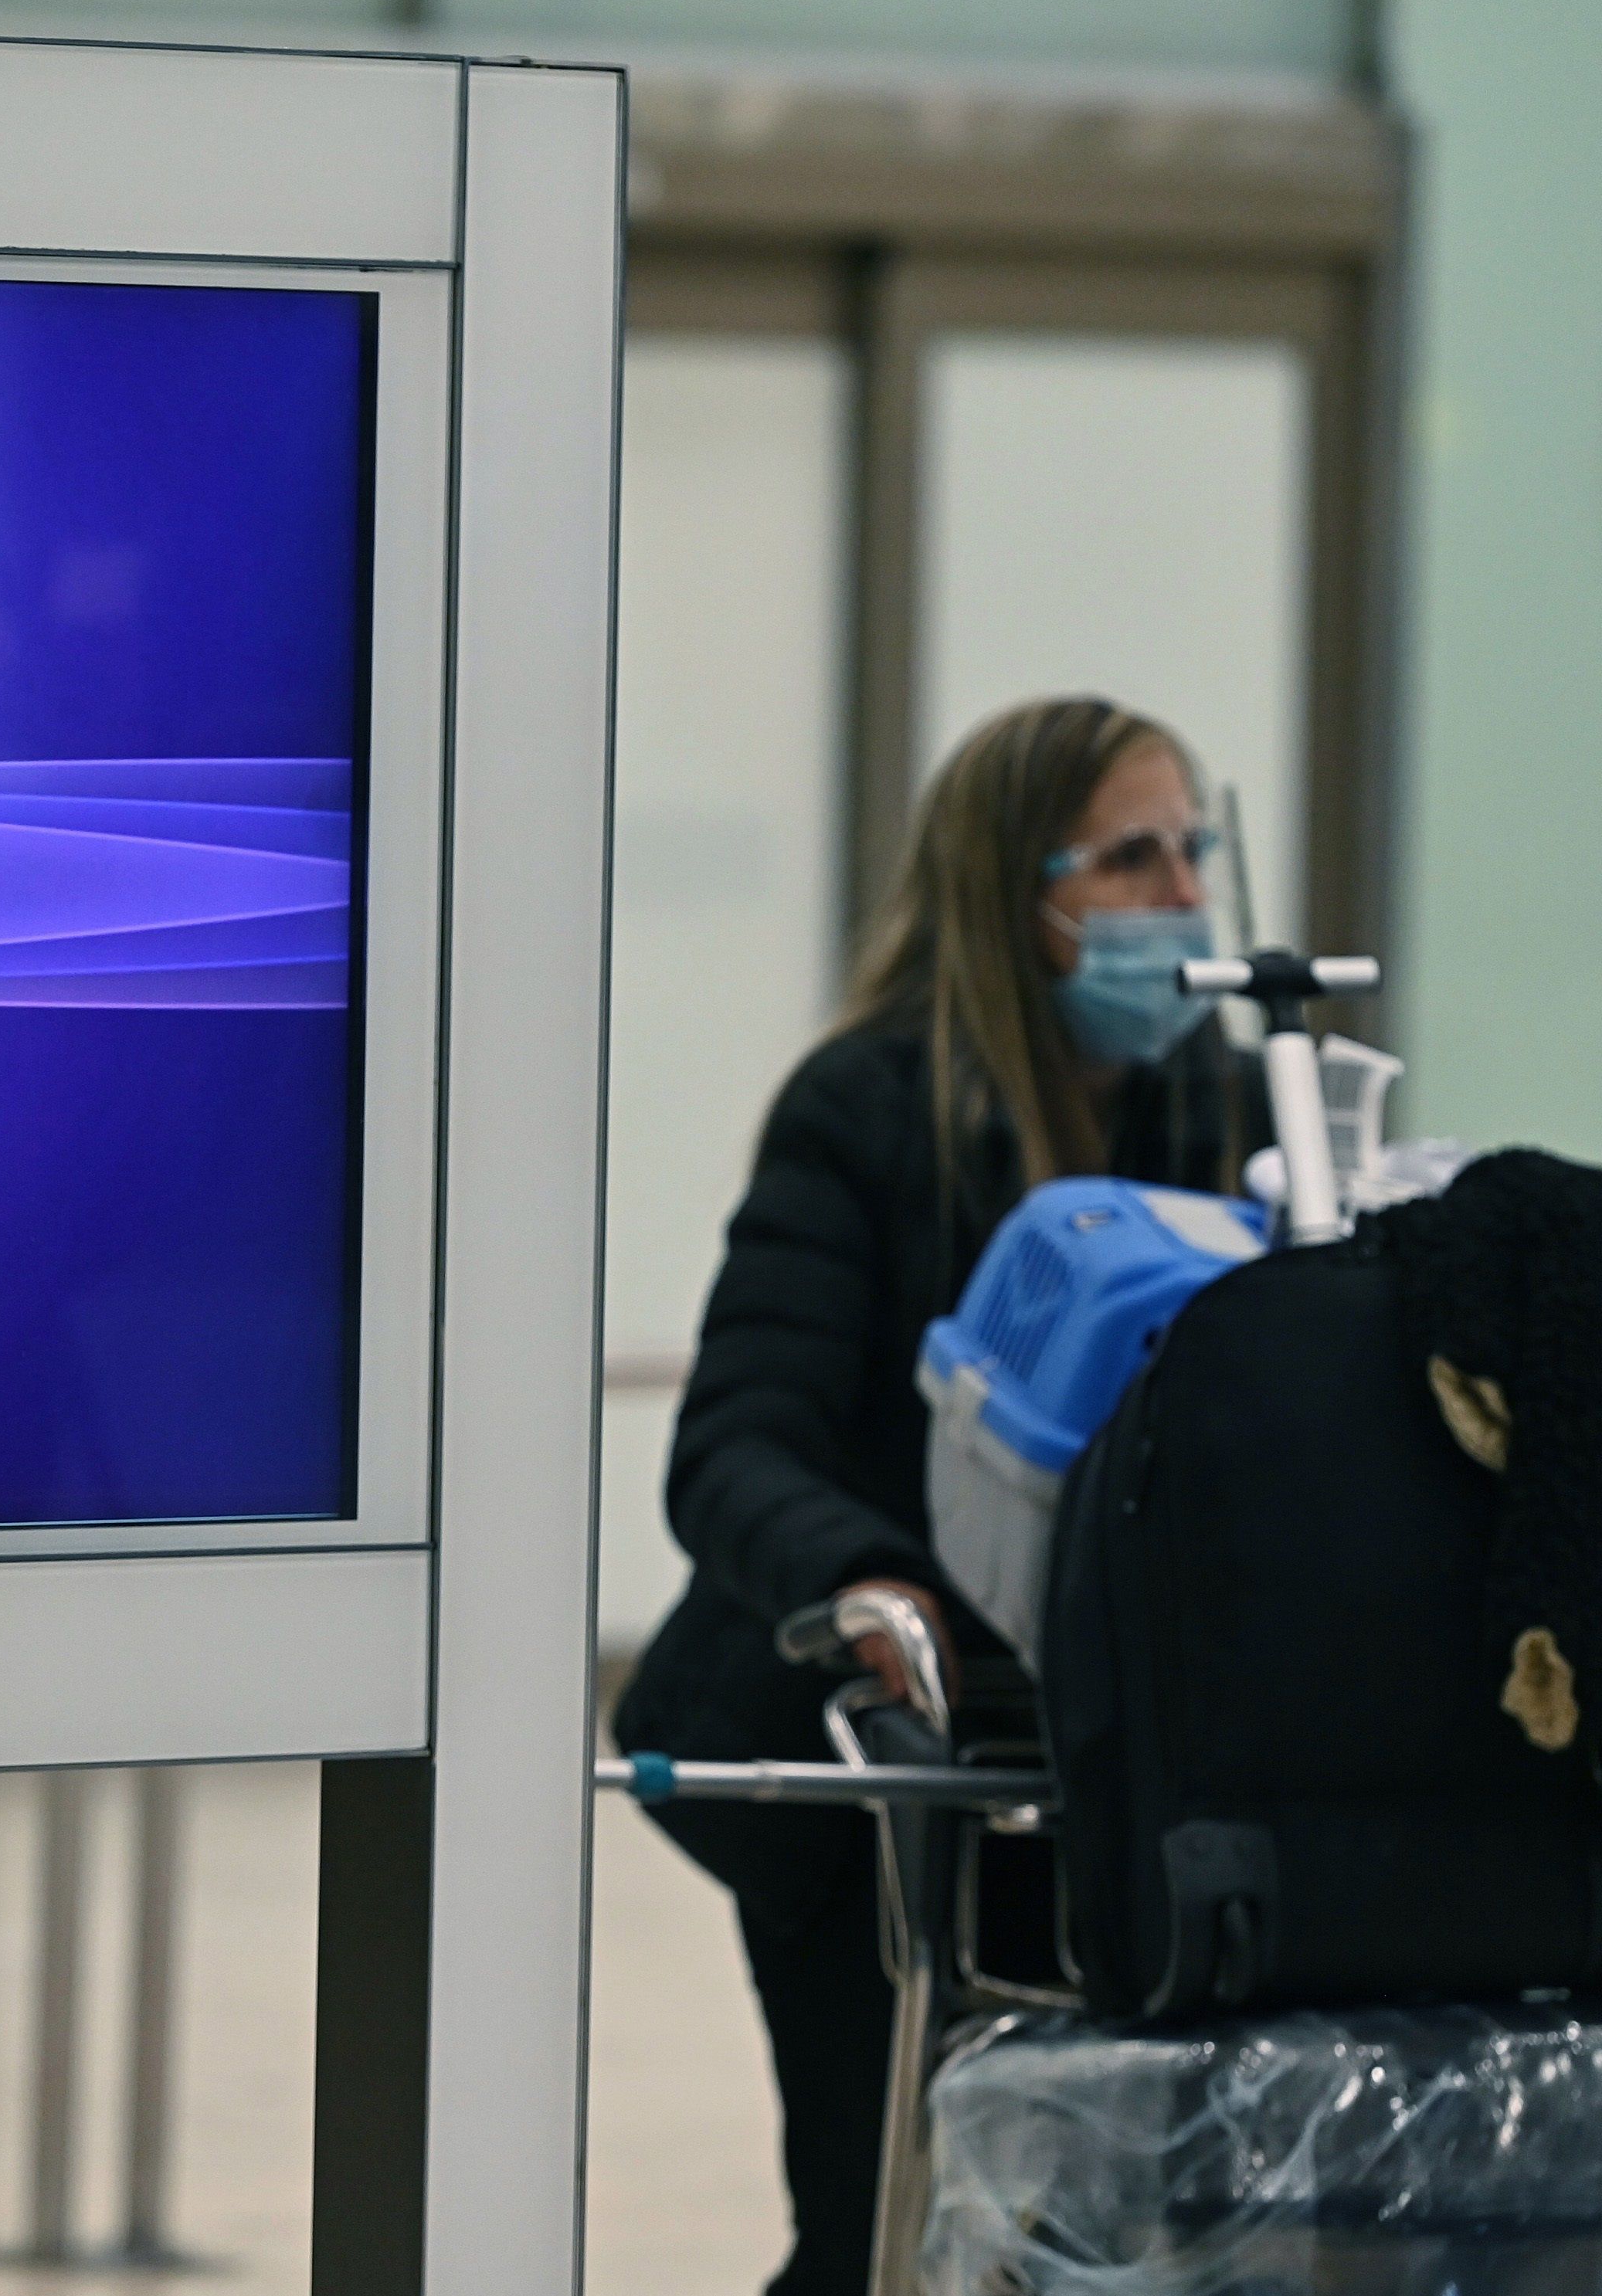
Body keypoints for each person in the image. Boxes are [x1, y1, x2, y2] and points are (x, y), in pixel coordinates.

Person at [610, 695, 1258, 2296]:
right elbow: (733, 1446)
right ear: (1014, 892)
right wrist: (869, 1588)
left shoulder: (1228, 1104)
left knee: (1105, 2236)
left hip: (1109, 1760)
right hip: (880, 1768)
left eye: (1194, 846)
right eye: (1128, 857)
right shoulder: (866, 1108)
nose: (1180, 891)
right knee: (888, 2223)